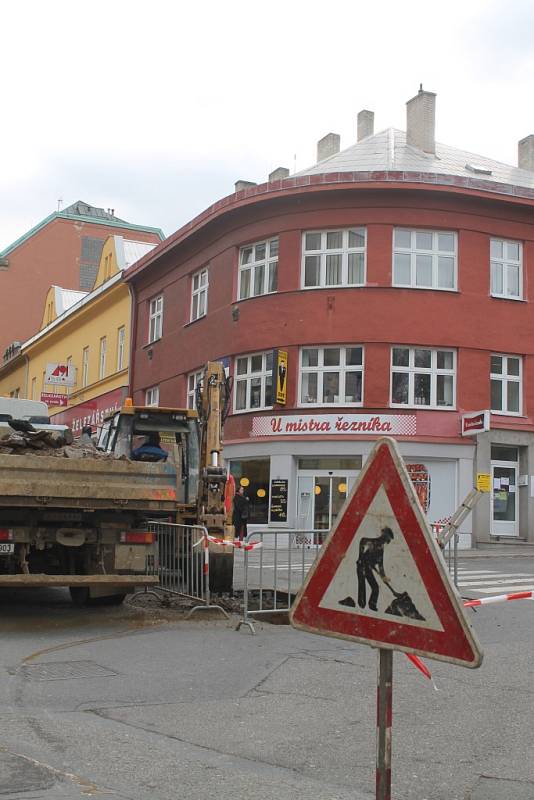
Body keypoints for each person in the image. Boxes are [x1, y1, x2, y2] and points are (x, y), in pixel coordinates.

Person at [356, 526, 394, 612]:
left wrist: (384, 577)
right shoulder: (374, 541)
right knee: (362, 585)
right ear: (383, 535)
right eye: (386, 536)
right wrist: (360, 557)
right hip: (361, 566)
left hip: (368, 568)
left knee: (375, 587)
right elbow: (362, 540)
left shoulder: (381, 549)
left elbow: (380, 565)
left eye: (387, 538)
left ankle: (372, 605)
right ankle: (361, 606)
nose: (386, 540)